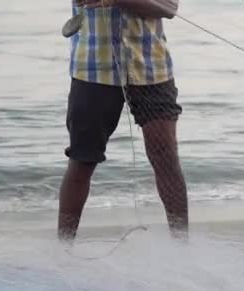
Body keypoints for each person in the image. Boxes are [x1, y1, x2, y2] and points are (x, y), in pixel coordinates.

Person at [58, 0, 188, 242]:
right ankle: (63, 249)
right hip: (93, 68)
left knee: (166, 157)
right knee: (82, 160)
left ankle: (182, 245)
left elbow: (169, 8)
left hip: (151, 66)